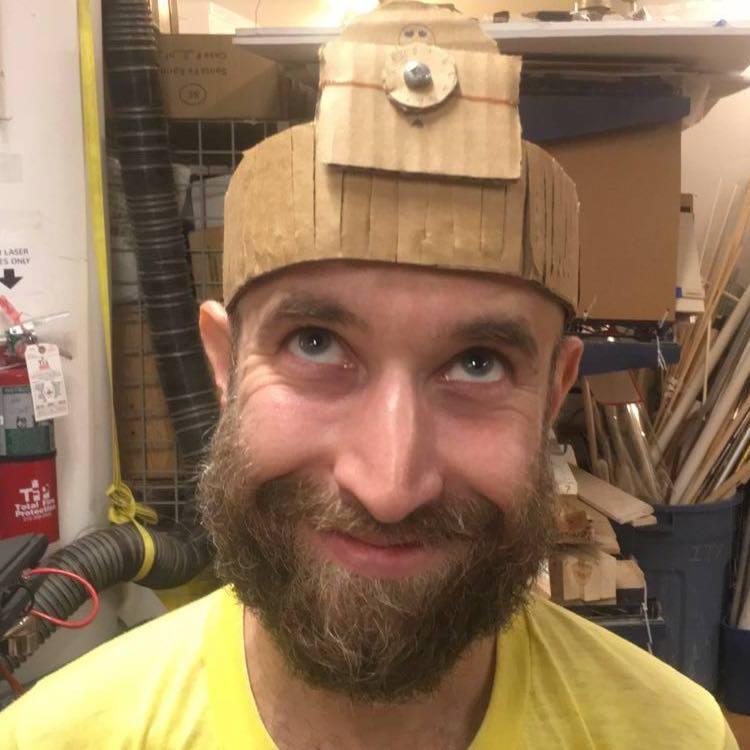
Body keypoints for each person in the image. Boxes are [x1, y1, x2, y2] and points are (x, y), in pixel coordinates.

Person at [0, 3, 738, 748]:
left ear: (553, 393)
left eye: (478, 364)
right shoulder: (54, 741)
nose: (388, 487)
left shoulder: (670, 736)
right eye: (316, 344)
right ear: (223, 365)